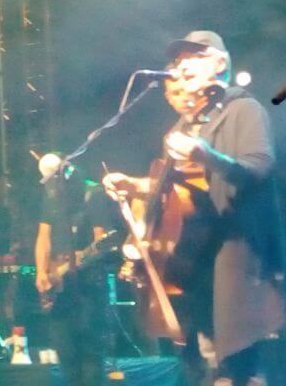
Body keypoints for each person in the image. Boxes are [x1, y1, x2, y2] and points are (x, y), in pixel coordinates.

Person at [103, 30, 284, 386]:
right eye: (179, 59)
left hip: (238, 252)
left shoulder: (243, 109)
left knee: (240, 365)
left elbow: (259, 167)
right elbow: (181, 188)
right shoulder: (186, 124)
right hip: (197, 259)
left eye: (195, 57)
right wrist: (136, 186)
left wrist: (206, 155)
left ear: (220, 64)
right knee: (206, 362)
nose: (183, 65)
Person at [35, 157, 122, 386]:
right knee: (65, 351)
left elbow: (100, 241)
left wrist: (80, 260)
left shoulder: (93, 194)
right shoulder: (51, 196)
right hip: (59, 289)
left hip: (88, 286)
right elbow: (44, 236)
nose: (52, 188)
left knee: (91, 353)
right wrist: (41, 272)